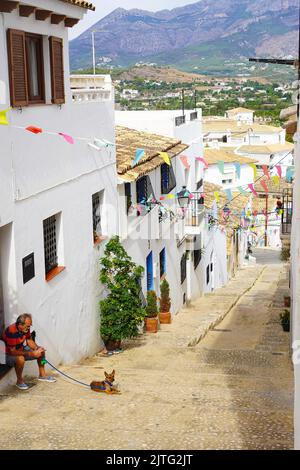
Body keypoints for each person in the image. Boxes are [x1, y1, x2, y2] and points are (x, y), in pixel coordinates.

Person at [2, 313, 56, 390]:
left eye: (30, 326)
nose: (29, 328)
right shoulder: (11, 331)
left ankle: (42, 375)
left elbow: (29, 340)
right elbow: (12, 352)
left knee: (41, 352)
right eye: (27, 326)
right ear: (20, 324)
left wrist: (37, 348)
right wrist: (31, 353)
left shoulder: (25, 328)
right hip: (6, 355)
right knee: (20, 359)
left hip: (19, 350)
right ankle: (19, 381)